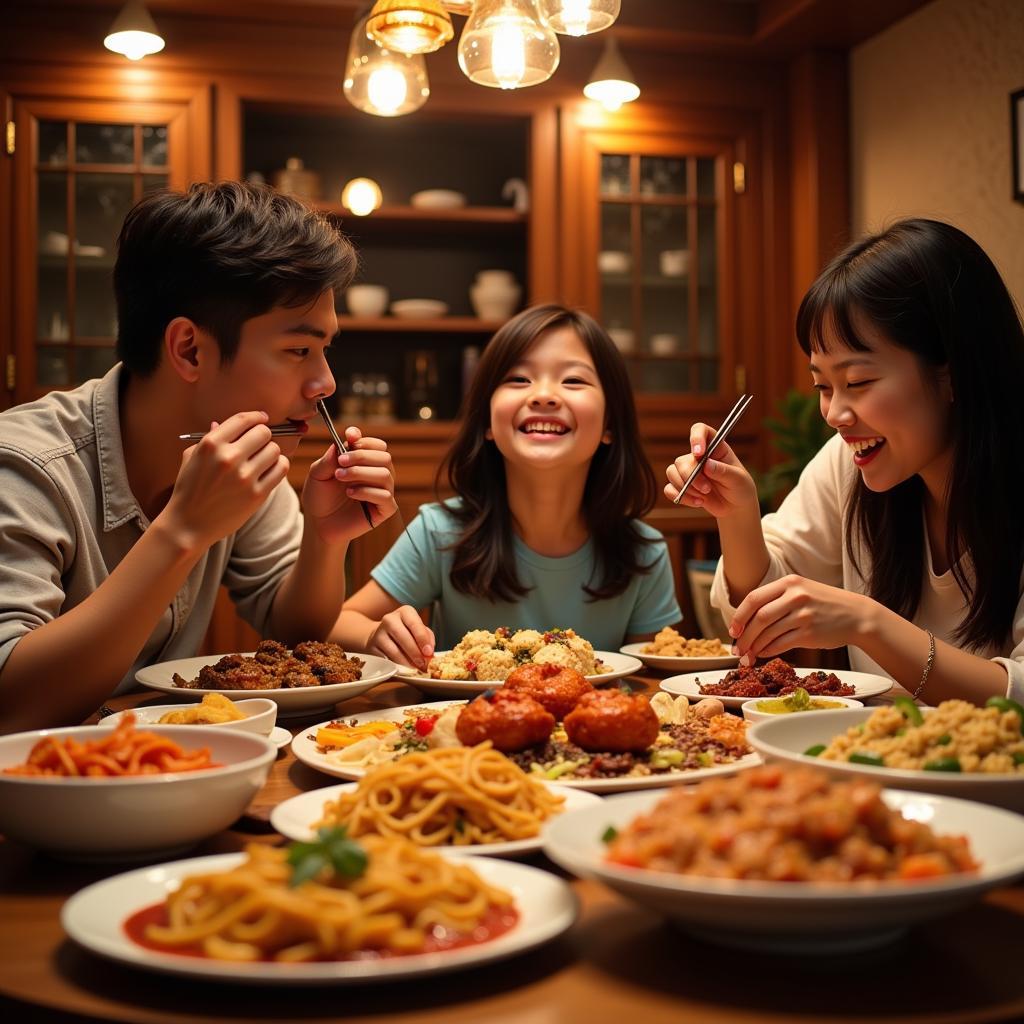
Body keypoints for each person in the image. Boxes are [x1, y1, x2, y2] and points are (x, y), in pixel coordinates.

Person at [0, 182, 397, 733]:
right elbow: (12, 704)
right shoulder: (25, 464)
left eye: (324, 350)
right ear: (189, 349)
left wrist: (323, 539)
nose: (324, 383)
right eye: (298, 351)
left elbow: (293, 631)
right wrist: (181, 531)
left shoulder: (238, 458)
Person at [665, 218, 1024, 705]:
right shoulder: (851, 460)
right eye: (822, 386)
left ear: (952, 373)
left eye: (857, 382)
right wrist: (736, 513)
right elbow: (763, 611)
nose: (835, 414)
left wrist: (868, 623)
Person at [333, 304, 681, 669]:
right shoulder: (439, 532)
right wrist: (375, 636)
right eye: (518, 379)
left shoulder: (643, 553)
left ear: (610, 423)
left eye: (573, 380)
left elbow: (651, 681)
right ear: (486, 421)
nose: (544, 395)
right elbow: (340, 622)